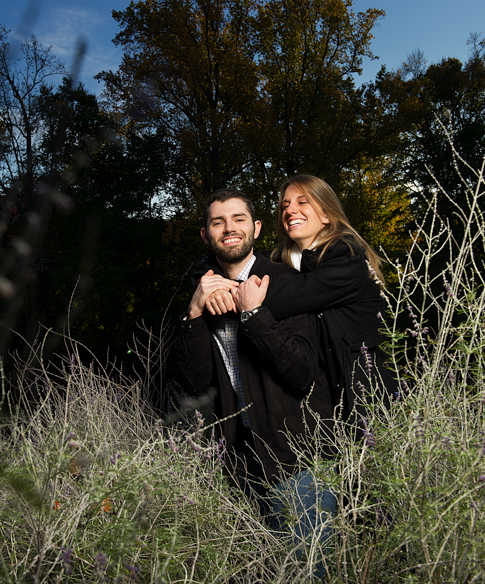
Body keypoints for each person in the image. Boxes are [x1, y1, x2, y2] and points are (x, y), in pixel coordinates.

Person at [174, 188, 337, 577]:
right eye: (218, 222)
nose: (229, 229)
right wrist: (195, 312)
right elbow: (195, 385)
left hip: (300, 461)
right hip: (242, 465)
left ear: (256, 228)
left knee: (306, 573)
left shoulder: (285, 284)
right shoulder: (203, 292)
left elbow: (300, 373)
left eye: (238, 219)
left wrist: (253, 314)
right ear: (206, 235)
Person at [223, 175, 396, 439]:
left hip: (370, 403)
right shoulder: (288, 266)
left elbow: (292, 295)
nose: (290, 210)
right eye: (285, 205)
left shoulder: (346, 257)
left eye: (303, 202)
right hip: (327, 412)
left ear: (326, 214)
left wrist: (224, 289)